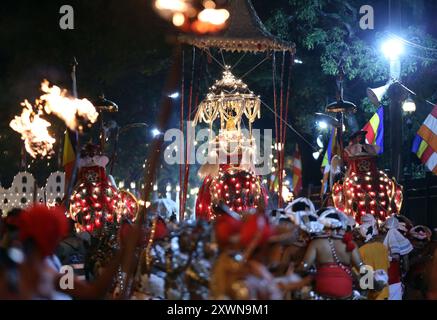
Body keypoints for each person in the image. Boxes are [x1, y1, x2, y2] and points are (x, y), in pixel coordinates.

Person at [300, 207, 363, 299]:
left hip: (322, 288)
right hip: (345, 289)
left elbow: (304, 266)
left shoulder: (316, 242)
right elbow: (361, 267)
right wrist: (372, 285)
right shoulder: (350, 243)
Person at [357, 214, 390, 300]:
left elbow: (359, 274)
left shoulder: (360, 251)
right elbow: (387, 266)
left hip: (370, 295)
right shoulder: (382, 247)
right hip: (384, 292)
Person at [382, 216, 413, 300]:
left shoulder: (378, 239)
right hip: (394, 279)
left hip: (379, 279)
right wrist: (402, 275)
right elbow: (406, 266)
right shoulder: (401, 240)